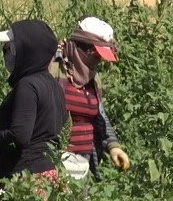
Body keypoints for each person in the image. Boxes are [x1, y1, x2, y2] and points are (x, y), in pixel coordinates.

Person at [0, 19, 66, 184]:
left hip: (26, 179)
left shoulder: (27, 85)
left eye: (11, 48)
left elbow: (20, 134)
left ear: (28, 51)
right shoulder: (54, 86)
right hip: (49, 174)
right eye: (5, 48)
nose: (6, 53)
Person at [56, 17, 131, 180]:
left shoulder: (92, 78)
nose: (99, 61)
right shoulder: (55, 70)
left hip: (85, 161)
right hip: (55, 160)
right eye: (97, 56)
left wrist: (113, 146)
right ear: (84, 49)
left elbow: (100, 115)